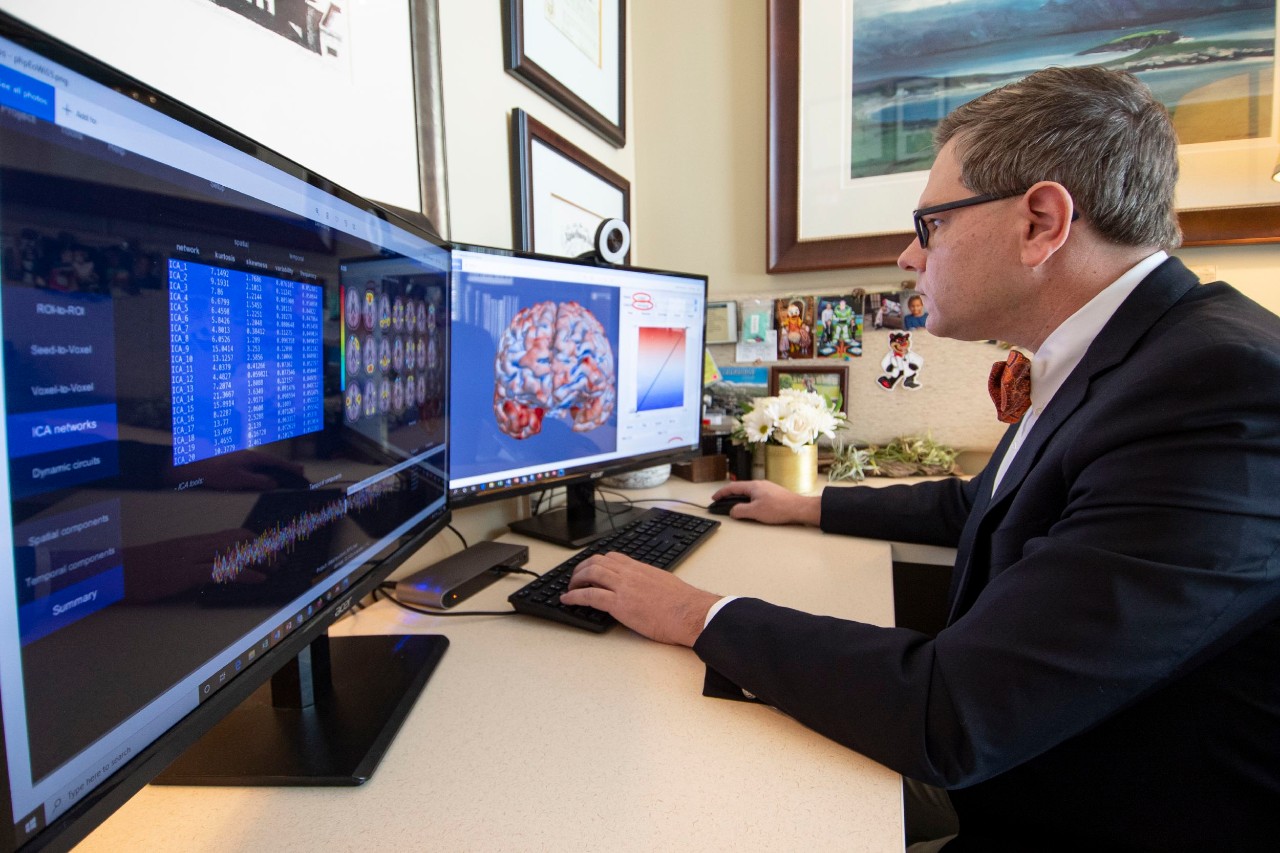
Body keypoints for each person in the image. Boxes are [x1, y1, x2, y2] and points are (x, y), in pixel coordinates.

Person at [560, 65, 1280, 850]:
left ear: (1041, 221)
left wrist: (695, 612)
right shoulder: (1133, 354)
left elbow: (954, 711)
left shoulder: (1217, 390)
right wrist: (809, 505)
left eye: (928, 224)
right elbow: (986, 501)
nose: (908, 255)